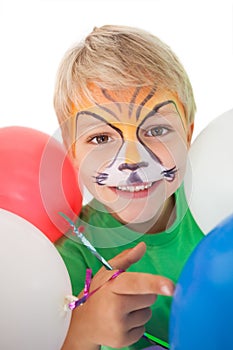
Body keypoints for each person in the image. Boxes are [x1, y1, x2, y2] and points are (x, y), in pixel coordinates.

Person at [54, 25, 204, 350]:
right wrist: (81, 331)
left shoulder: (219, 216)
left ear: (189, 135)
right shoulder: (67, 260)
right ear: (73, 154)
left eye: (157, 129)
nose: (132, 160)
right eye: (101, 138)